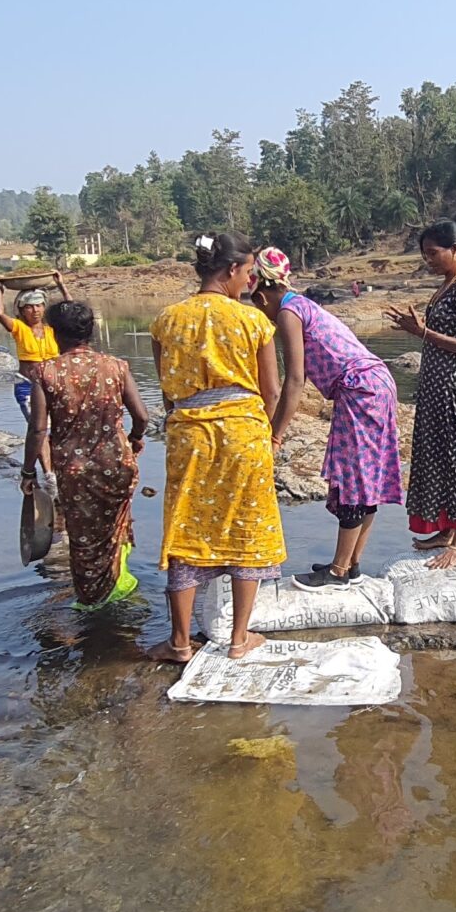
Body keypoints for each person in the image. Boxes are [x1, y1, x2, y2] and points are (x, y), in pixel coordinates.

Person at [148, 231, 289, 660]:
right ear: (231, 270)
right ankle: (239, 639)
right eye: (248, 273)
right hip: (244, 433)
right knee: (247, 527)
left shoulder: (166, 319)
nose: (249, 282)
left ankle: (179, 642)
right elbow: (272, 391)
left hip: (189, 434)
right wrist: (266, 433)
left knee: (186, 529)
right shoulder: (253, 321)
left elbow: (168, 393)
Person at [249, 247, 401, 584]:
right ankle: (351, 563)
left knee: (353, 481)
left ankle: (337, 571)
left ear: (261, 294)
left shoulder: (289, 312)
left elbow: (295, 379)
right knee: (365, 480)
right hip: (375, 383)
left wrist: (275, 435)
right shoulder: (302, 304)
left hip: (360, 390)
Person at [41, 299, 148, 609]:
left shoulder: (46, 372)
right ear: (90, 331)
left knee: (84, 538)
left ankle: (93, 600)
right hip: (115, 463)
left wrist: (26, 472)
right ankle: (119, 588)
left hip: (74, 471)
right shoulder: (116, 366)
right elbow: (141, 415)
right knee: (114, 529)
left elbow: (37, 430)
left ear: (56, 334)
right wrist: (135, 439)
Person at [388, 222, 456, 568]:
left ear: (454, 249)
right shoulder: (447, 286)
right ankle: (444, 528)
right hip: (435, 387)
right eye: (424, 254)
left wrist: (422, 332)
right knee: (436, 455)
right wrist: (419, 333)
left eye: (433, 253)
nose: (428, 260)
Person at [0, 284, 59, 465]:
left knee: (59, 428)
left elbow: (71, 310)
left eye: (39, 305)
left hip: (53, 385)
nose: (35, 310)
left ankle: (58, 469)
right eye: (29, 306)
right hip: (28, 386)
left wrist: (61, 284)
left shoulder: (51, 330)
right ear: (21, 310)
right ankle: (48, 474)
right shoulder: (19, 328)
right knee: (39, 430)